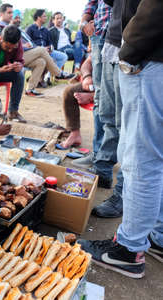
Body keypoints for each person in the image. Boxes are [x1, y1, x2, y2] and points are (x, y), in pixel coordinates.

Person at [79, 0, 163, 278]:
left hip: (150, 56)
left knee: (141, 161)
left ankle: (128, 250)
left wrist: (129, 51)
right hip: (151, 53)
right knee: (155, 158)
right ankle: (158, 236)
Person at [91, 0, 124, 217]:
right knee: (108, 114)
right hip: (110, 43)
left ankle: (123, 194)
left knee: (127, 126)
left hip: (131, 47)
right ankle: (102, 166)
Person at [71, 0, 111, 170]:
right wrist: (84, 24)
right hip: (99, 36)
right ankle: (97, 155)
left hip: (119, 37)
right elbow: (90, 7)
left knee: (110, 105)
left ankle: (105, 162)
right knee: (100, 102)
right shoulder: (93, 32)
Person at [12, 11, 75, 97]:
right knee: (41, 50)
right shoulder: (12, 29)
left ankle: (30, 90)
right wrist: (25, 46)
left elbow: (46, 43)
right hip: (19, 55)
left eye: (19, 18)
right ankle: (58, 74)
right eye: (16, 18)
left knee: (41, 62)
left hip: (34, 53)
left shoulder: (21, 30)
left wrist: (49, 48)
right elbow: (11, 45)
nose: (19, 20)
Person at [61, 56, 94, 148]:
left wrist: (92, 96)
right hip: (95, 82)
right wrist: (87, 77)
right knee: (70, 92)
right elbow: (86, 63)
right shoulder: (100, 43)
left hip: (112, 86)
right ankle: (75, 134)